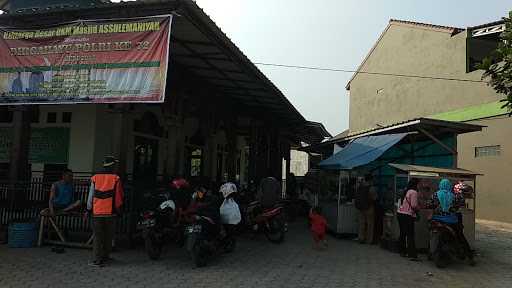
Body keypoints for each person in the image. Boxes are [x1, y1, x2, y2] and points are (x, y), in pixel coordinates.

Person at [86, 156, 124, 267]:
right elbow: (118, 197)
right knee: (108, 236)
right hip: (111, 213)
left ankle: (97, 260)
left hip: (97, 212)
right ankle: (106, 256)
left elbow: (90, 196)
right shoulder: (116, 178)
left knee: (98, 236)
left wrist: (88, 209)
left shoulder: (95, 178)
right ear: (112, 166)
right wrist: (119, 210)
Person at [431, 179, 475, 265]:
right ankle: (469, 256)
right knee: (460, 236)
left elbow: (430, 205)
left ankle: (431, 253)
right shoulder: (454, 196)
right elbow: (458, 207)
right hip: (452, 221)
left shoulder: (435, 195)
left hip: (438, 220)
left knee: (432, 234)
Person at [397, 178, 420, 260]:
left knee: (403, 233)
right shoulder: (414, 192)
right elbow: (414, 205)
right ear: (416, 184)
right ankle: (412, 254)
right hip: (408, 215)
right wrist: (419, 209)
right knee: (410, 234)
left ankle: (402, 251)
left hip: (400, 214)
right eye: (418, 184)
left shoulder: (406, 190)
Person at [355, 174, 377, 244]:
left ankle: (361, 238)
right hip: (369, 207)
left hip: (360, 208)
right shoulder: (371, 188)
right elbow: (375, 198)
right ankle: (369, 240)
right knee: (370, 224)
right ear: (371, 180)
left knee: (361, 223)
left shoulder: (360, 187)